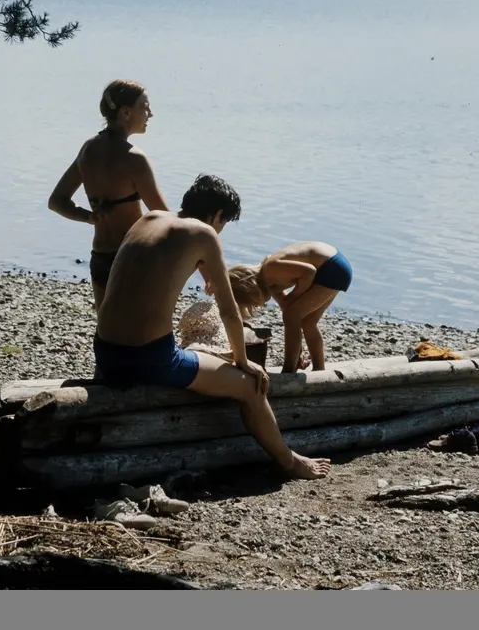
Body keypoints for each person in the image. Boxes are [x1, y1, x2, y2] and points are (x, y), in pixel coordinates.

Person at [94, 174, 332, 481]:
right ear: (217, 215)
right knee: (250, 386)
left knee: (195, 351)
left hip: (105, 351)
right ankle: (290, 462)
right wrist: (243, 362)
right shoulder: (204, 233)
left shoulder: (148, 219)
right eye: (224, 222)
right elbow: (229, 310)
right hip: (148, 359)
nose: (220, 230)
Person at [48, 79, 169, 310]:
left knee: (106, 330)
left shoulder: (88, 150)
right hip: (130, 255)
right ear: (125, 112)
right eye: (145, 107)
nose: (150, 114)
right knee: (137, 331)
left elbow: (56, 201)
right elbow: (163, 215)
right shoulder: (134, 158)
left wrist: (87, 216)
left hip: (100, 256)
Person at [225, 243, 352, 374]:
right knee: (307, 321)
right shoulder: (270, 285)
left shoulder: (271, 268)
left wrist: (295, 296)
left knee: (292, 315)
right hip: (335, 268)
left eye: (253, 303)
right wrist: (298, 352)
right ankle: (319, 369)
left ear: (250, 290)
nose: (260, 305)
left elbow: (309, 272)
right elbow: (288, 311)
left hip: (331, 267)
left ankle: (288, 371)